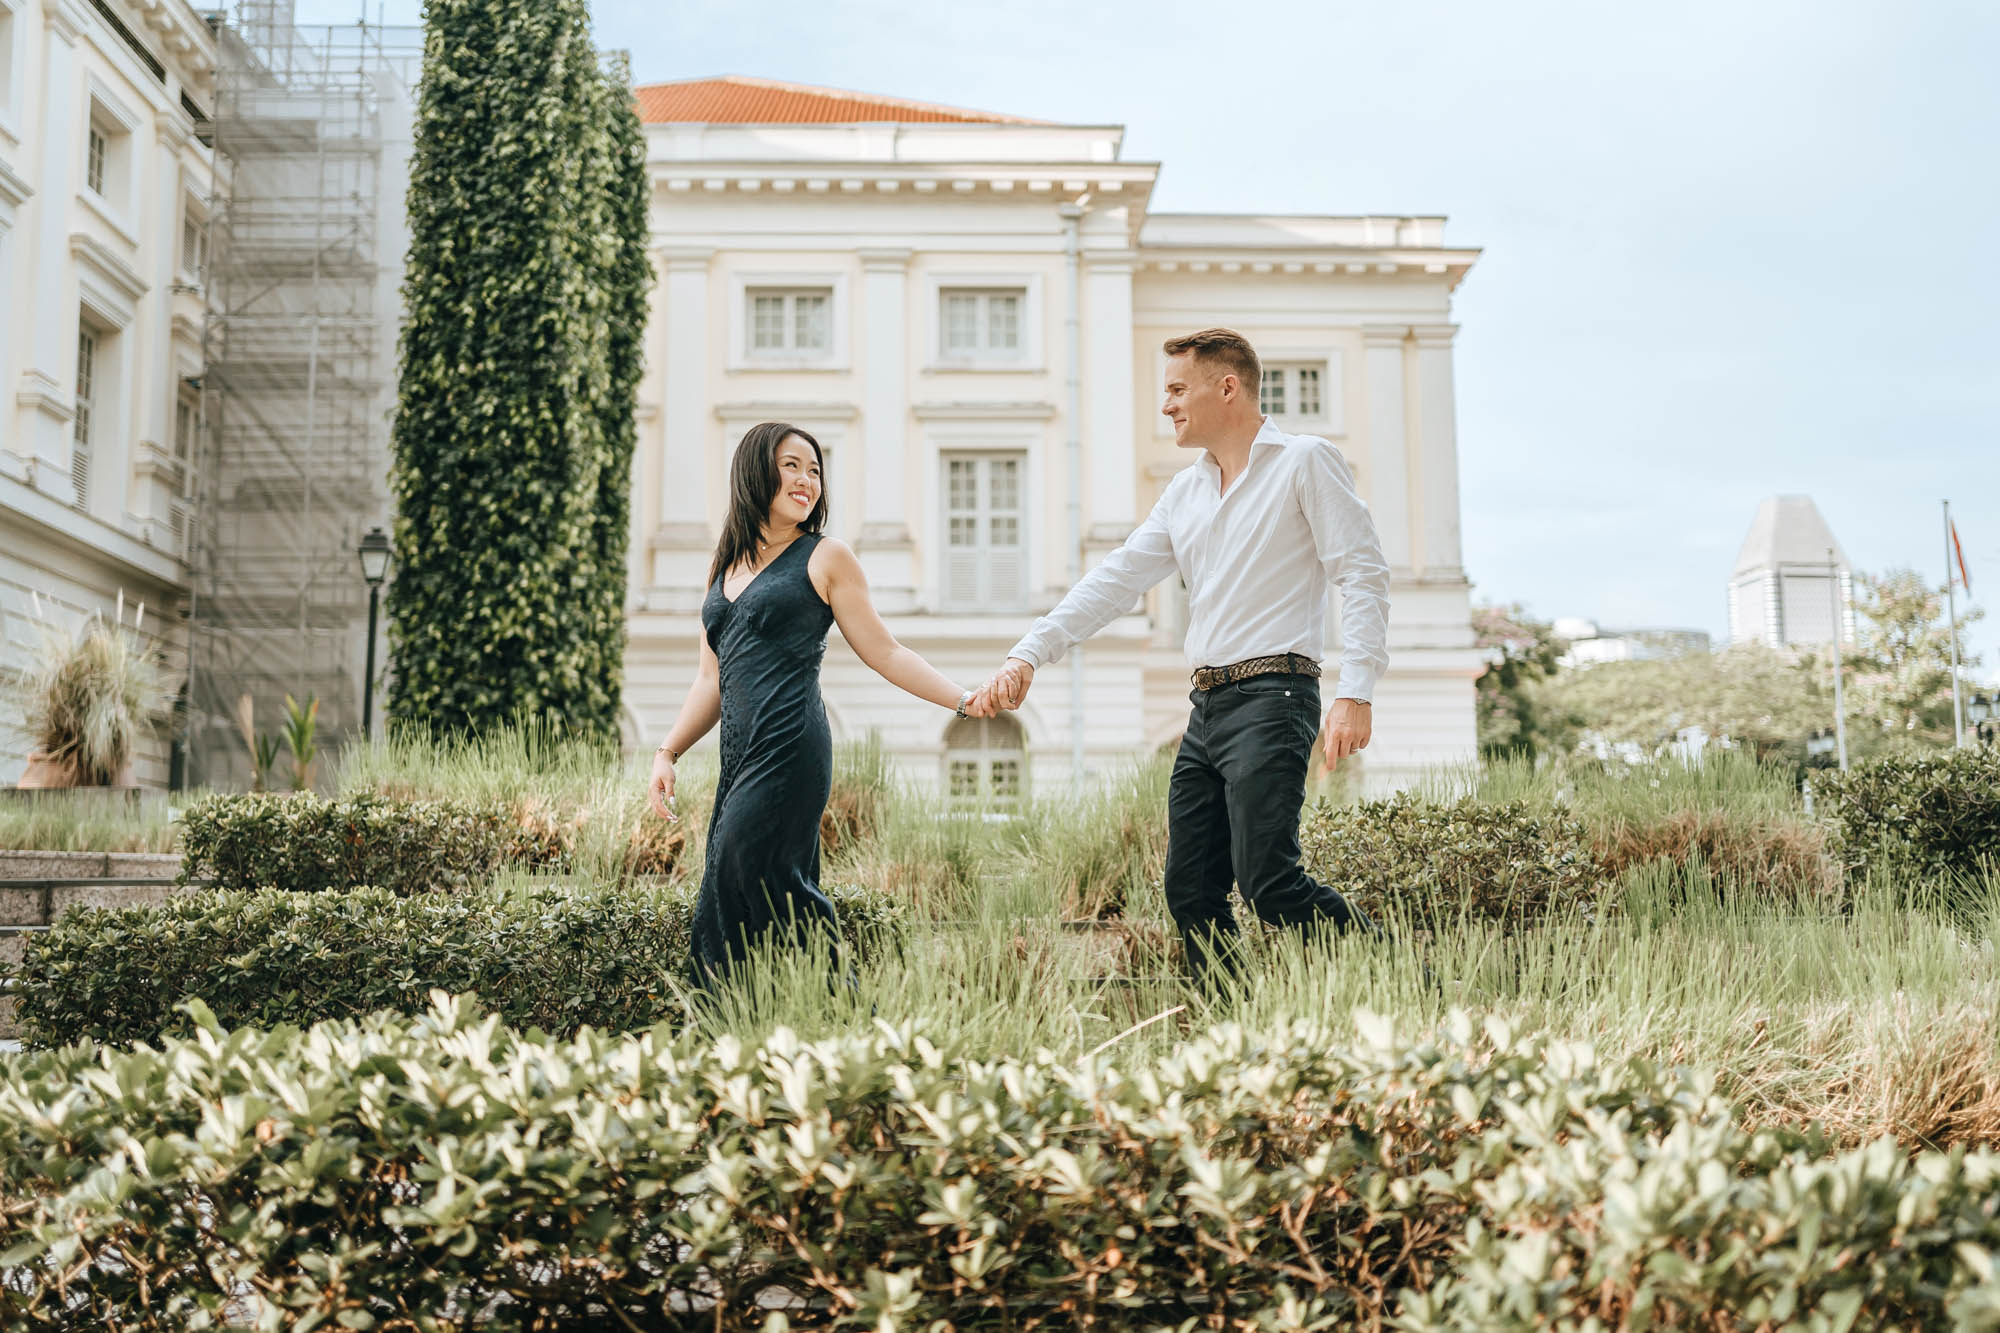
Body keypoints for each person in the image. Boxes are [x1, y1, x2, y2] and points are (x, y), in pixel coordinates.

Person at [973, 328, 1393, 983]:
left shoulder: (1305, 461)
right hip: (1207, 710)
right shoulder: (1185, 492)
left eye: (1176, 389)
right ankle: (1228, 1021)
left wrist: (1356, 690)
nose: (1166, 404)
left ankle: (1406, 979)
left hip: (1275, 696)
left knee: (1269, 882)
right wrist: (1029, 653)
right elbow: (1116, 580)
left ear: (1226, 387)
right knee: (1191, 888)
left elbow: (1362, 572)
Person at [648, 422, 980, 987]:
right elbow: (710, 679)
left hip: (791, 745)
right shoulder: (723, 567)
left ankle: (839, 1007)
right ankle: (745, 1014)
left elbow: (885, 651)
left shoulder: (826, 557)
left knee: (745, 863)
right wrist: (668, 752)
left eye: (815, 470)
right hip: (740, 754)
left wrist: (963, 701)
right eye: (792, 466)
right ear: (755, 472)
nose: (807, 480)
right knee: (730, 879)